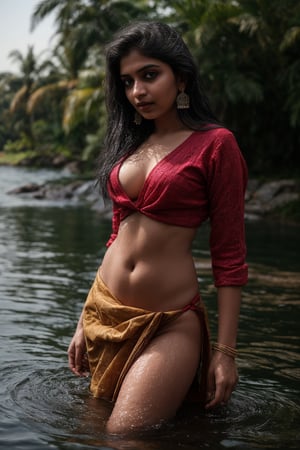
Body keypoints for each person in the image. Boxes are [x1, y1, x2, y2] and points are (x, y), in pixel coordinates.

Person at [68, 21, 248, 435]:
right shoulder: (130, 145)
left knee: (123, 436)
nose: (138, 91)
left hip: (168, 322)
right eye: (127, 81)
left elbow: (229, 254)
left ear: (180, 77)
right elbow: (117, 233)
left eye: (150, 75)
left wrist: (225, 352)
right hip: (104, 311)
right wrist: (84, 319)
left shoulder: (217, 145)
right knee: (89, 433)